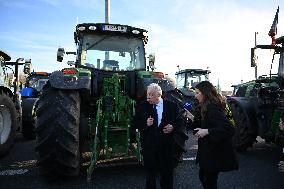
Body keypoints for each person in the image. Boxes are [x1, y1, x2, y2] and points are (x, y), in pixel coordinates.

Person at [184, 81, 238, 189]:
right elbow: (207, 124)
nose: (195, 95)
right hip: (209, 151)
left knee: (208, 180)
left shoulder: (212, 108)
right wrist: (192, 118)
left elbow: (229, 129)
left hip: (214, 152)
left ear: (205, 93)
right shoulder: (206, 106)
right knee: (204, 177)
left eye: (197, 93)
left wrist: (207, 131)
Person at [133, 83, 179, 189]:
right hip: (149, 147)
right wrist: (145, 123)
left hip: (166, 146)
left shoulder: (172, 106)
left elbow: (180, 122)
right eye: (147, 94)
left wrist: (173, 127)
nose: (148, 97)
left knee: (167, 174)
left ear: (159, 94)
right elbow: (135, 123)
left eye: (151, 94)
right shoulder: (142, 106)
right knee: (150, 175)